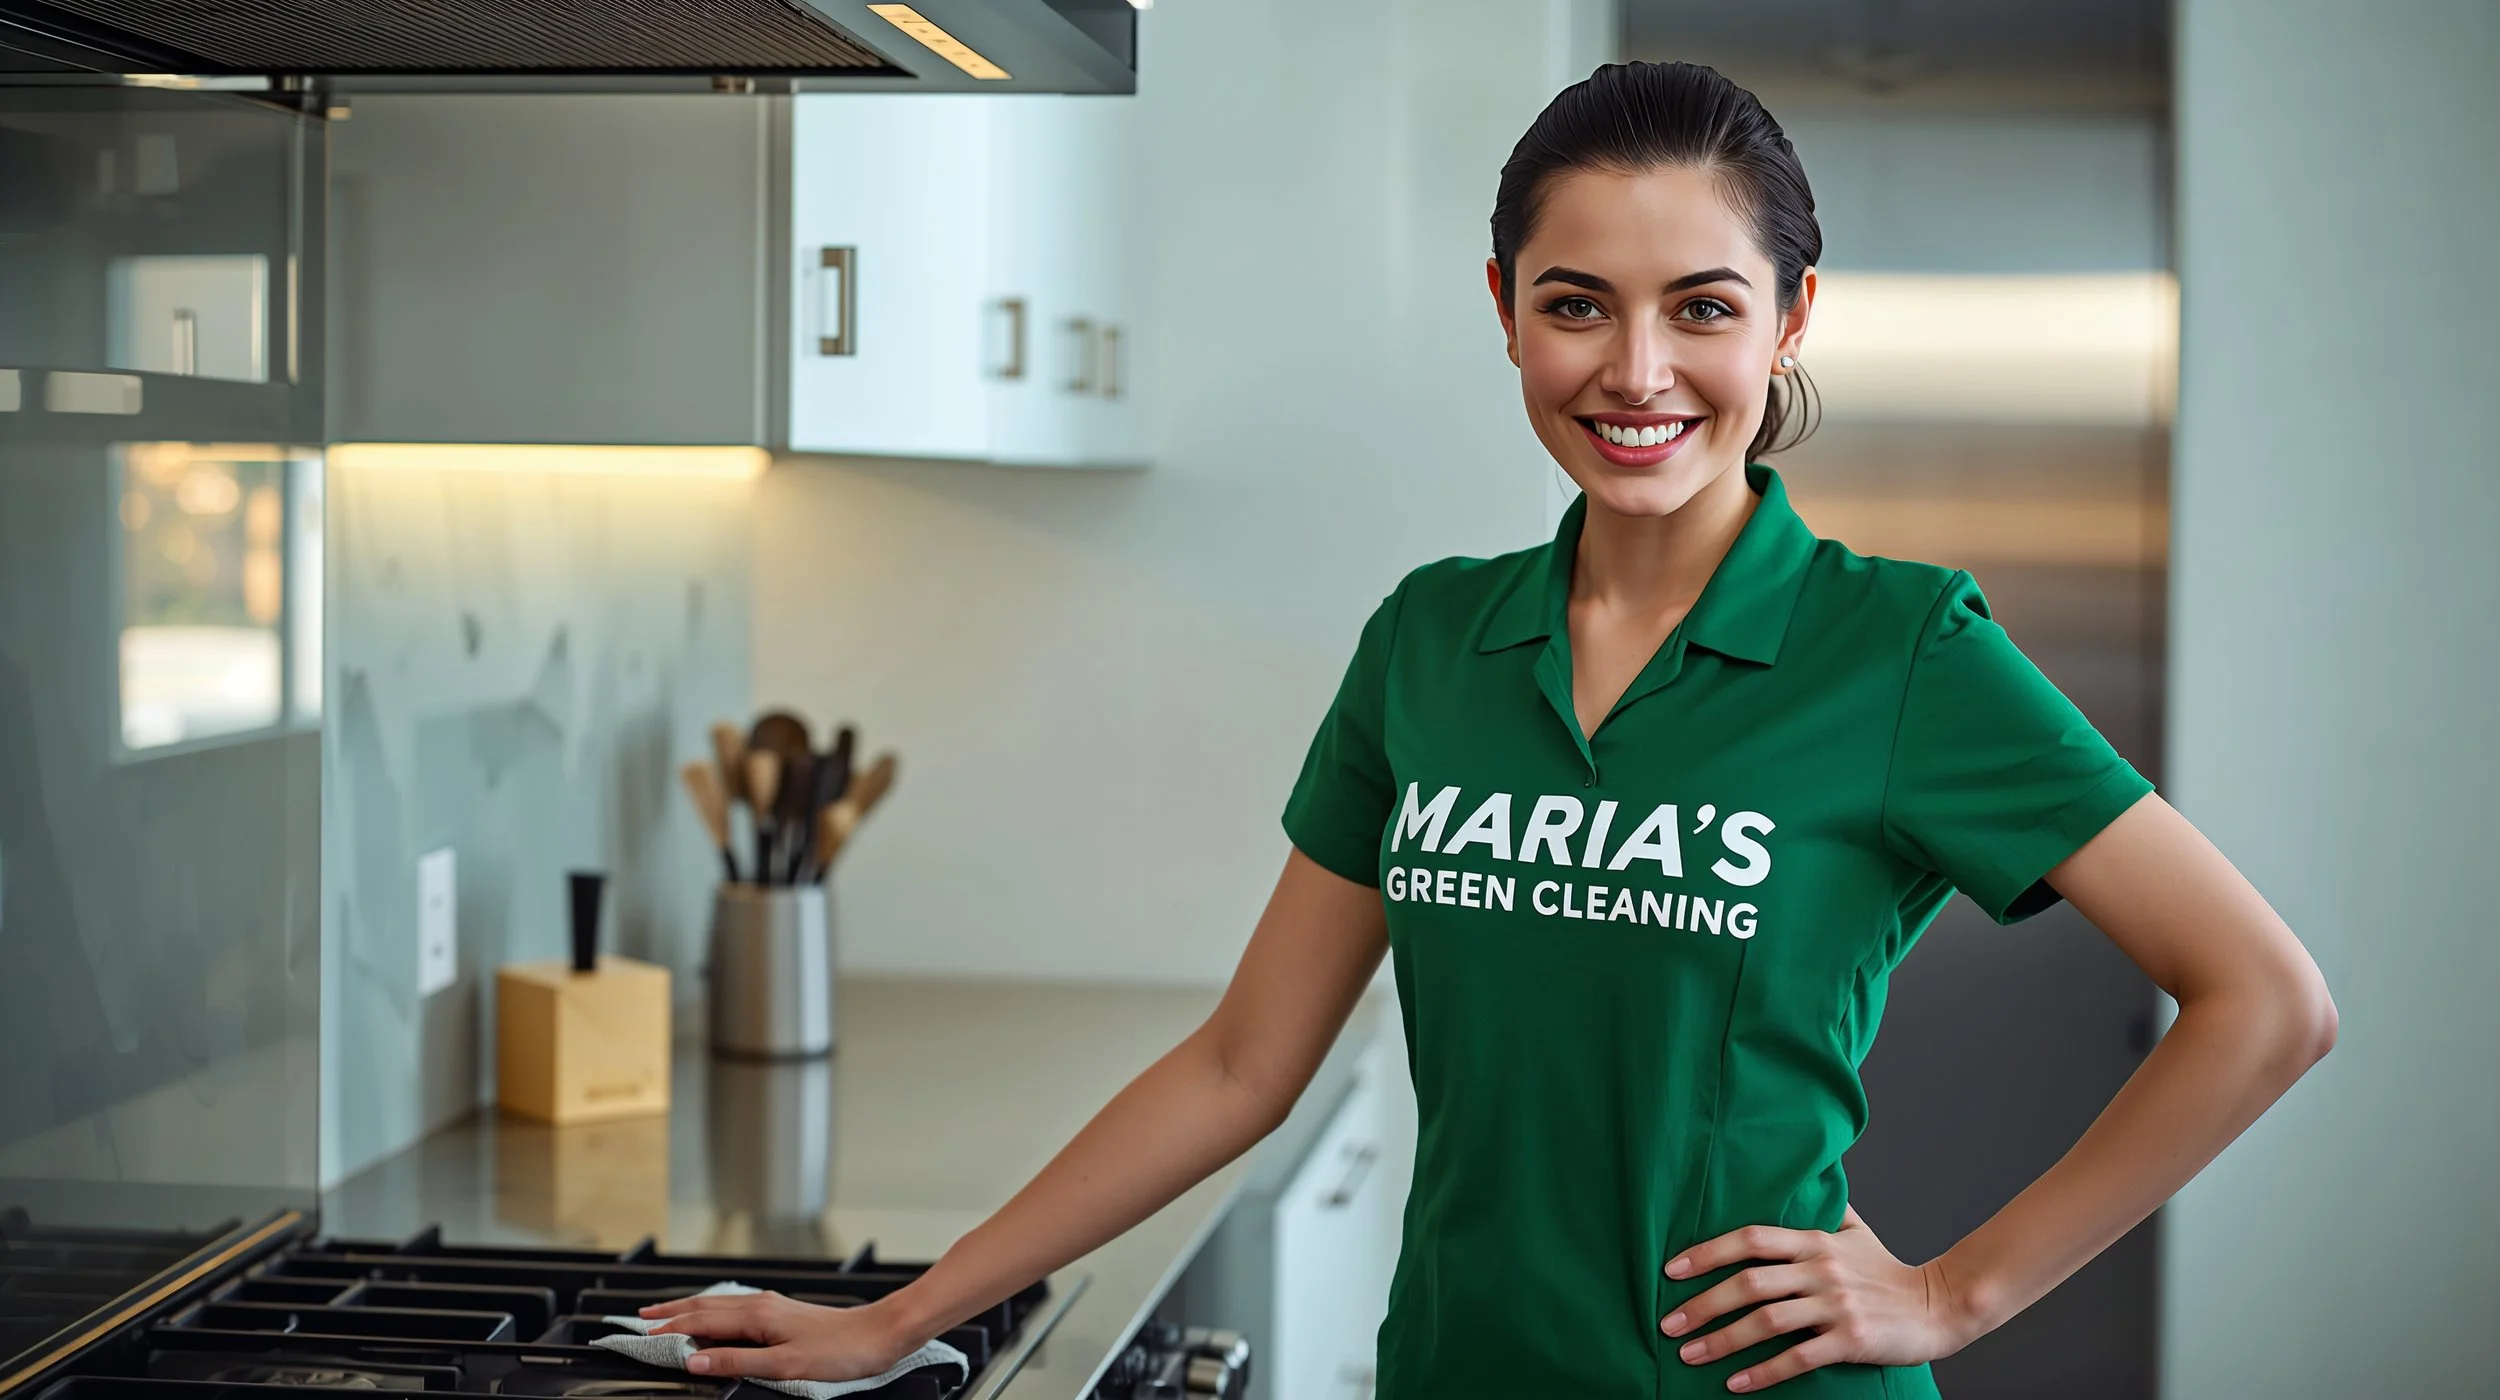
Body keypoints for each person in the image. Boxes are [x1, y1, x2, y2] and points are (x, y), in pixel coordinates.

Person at [638, 61, 2336, 1397]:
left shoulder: (1898, 649)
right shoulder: (1434, 640)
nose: (1638, 370)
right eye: (1578, 302)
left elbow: (2265, 1002)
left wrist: (1957, 1294)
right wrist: (910, 1314)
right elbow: (1245, 1063)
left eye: (1705, 306)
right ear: (1506, 307)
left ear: (1793, 319)